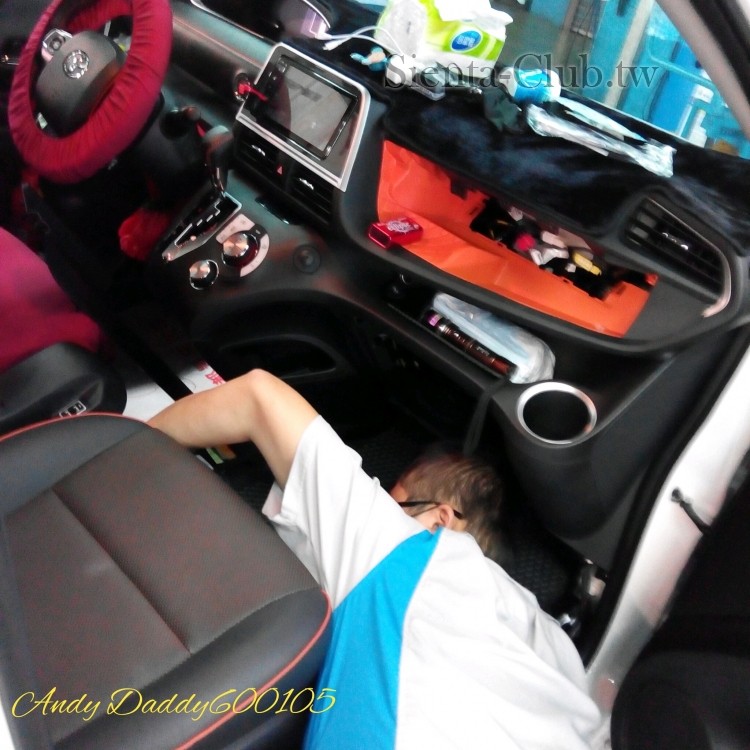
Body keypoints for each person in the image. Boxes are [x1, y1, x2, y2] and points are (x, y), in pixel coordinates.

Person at [149, 369, 601, 749]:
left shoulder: (415, 556)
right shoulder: (559, 652)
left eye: (394, 500)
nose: (382, 504)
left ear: (440, 519)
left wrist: (116, 443)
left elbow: (258, 397)